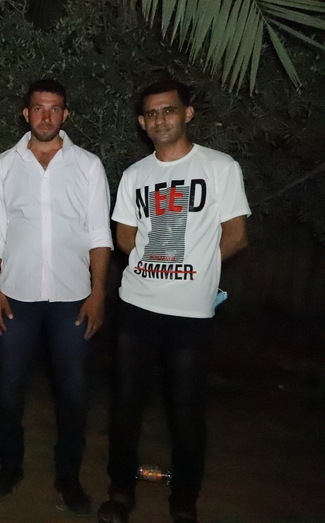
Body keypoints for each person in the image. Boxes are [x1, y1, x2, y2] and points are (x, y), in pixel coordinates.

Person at [98, 80, 250, 523]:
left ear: (187, 113)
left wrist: (198, 269)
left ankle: (184, 498)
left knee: (186, 410)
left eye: (168, 110)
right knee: (126, 405)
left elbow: (236, 236)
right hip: (136, 306)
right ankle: (120, 491)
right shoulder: (135, 175)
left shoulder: (219, 167)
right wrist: (156, 265)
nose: (160, 119)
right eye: (152, 113)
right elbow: (125, 236)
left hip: (190, 313)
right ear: (142, 123)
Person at [0, 79, 112, 515]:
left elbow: (99, 234)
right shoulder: (6, 164)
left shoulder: (88, 165)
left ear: (65, 114)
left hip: (72, 296)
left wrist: (98, 292)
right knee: (7, 387)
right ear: (26, 113)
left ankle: (68, 477)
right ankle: (9, 467)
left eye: (55, 108)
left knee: (73, 390)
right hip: (15, 295)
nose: (46, 116)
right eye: (38, 108)